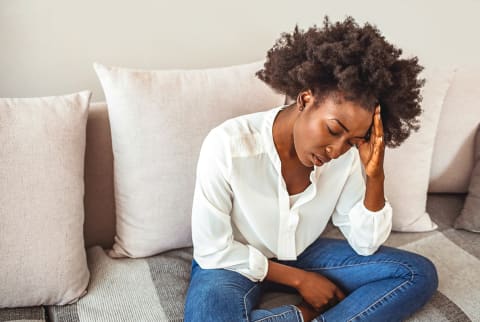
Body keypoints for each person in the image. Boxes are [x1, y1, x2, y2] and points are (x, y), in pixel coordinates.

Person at [184, 16, 438, 322]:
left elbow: (365, 243)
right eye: (333, 129)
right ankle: (301, 317)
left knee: (417, 273)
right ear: (306, 99)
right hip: (233, 259)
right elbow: (212, 250)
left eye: (353, 141)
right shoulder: (228, 145)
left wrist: (375, 176)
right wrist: (300, 281)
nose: (337, 150)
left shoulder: (345, 157)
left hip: (303, 252)